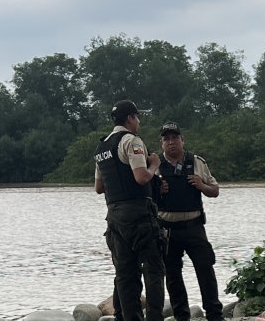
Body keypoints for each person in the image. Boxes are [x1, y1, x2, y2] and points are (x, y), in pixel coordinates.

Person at [95, 100, 165, 321]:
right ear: (130, 118)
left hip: (114, 217)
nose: (139, 121)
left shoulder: (102, 147)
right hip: (138, 214)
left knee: (125, 274)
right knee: (153, 269)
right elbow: (141, 176)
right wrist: (154, 164)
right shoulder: (131, 141)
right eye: (137, 117)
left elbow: (99, 188)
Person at [154, 122, 225, 321]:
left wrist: (201, 185)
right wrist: (157, 190)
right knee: (173, 276)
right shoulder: (155, 164)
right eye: (166, 139)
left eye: (175, 138)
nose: (171, 142)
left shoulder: (196, 162)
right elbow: (144, 196)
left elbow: (215, 191)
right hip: (166, 230)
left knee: (205, 270)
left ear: (182, 140)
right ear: (162, 144)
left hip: (194, 227)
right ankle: (181, 316)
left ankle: (214, 315)